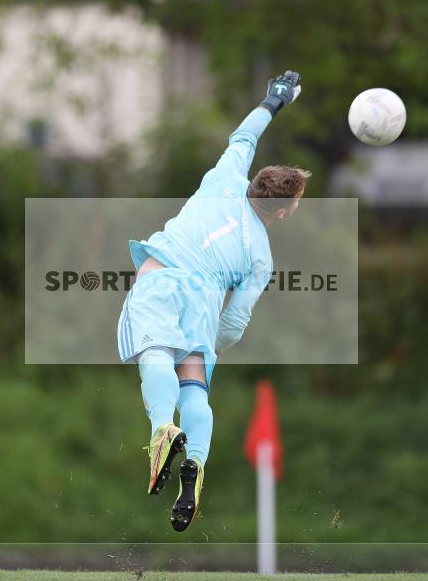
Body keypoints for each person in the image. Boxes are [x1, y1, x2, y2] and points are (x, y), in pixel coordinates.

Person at [116, 70, 310, 532]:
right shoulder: (261, 257)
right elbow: (237, 321)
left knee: (155, 354)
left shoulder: (224, 176)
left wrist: (274, 102)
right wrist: (211, 346)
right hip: (204, 301)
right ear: (281, 211)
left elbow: (244, 135)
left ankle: (163, 429)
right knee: (195, 388)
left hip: (163, 276)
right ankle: (196, 464)